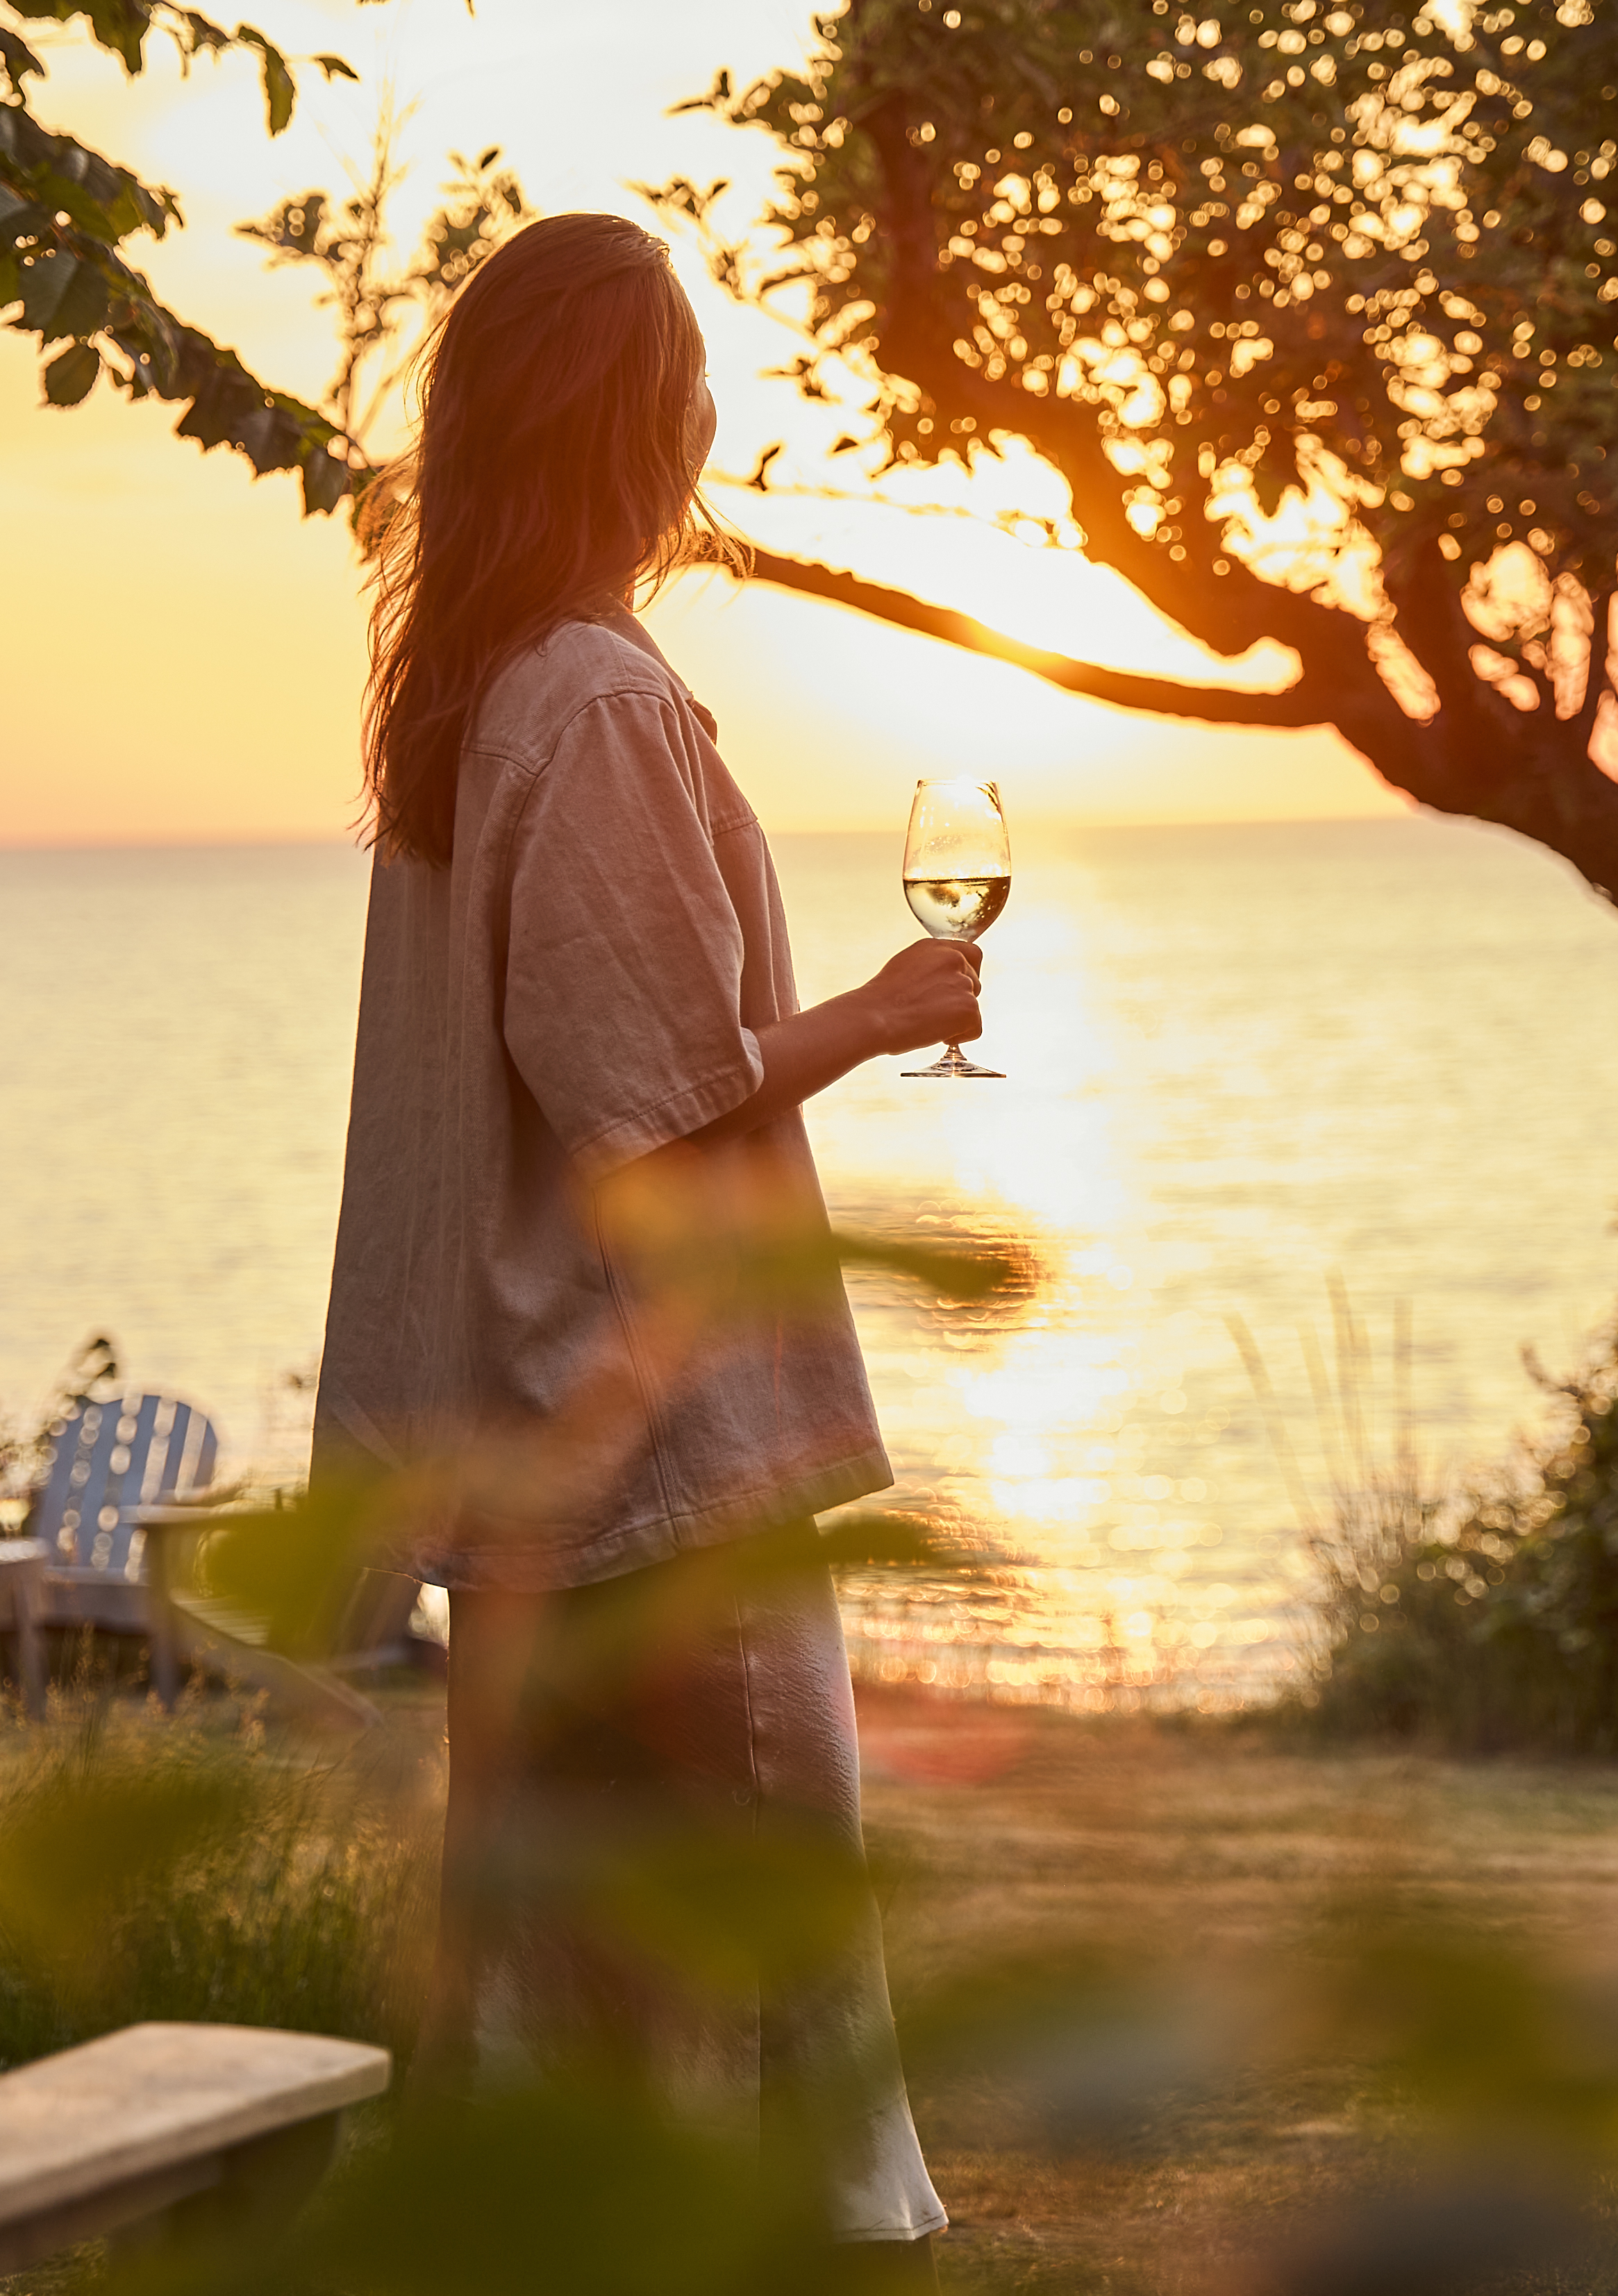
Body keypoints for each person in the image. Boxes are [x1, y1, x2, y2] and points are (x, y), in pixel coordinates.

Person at [310, 212, 976, 2277]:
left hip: (530, 1438)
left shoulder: (485, 690)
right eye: (687, 383)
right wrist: (876, 1012)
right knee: (733, 1958)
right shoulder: (592, 698)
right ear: (637, 424)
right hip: (649, 1434)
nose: (707, 416)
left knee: (540, 1978)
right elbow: (648, 1098)